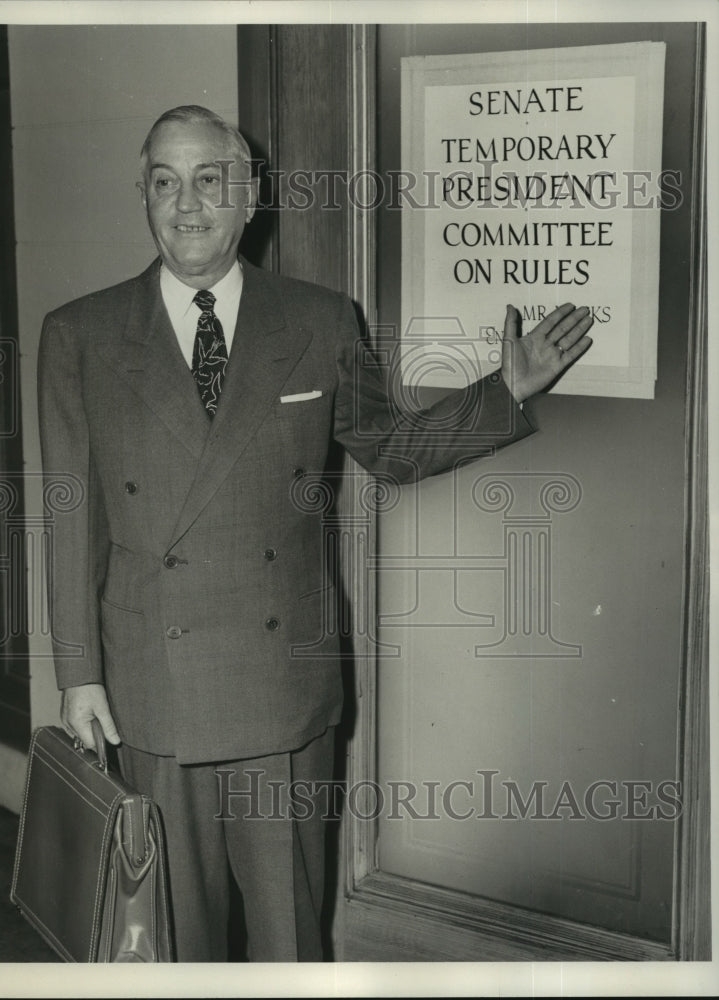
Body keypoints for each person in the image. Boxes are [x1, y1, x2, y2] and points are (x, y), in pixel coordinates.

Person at [38, 105, 593, 962]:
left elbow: (392, 449)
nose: (186, 204)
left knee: (287, 939)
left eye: (208, 179)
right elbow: (73, 510)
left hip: (281, 691)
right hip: (151, 687)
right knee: (166, 944)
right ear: (143, 196)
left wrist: (503, 392)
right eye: (163, 182)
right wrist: (78, 674)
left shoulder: (321, 317)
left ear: (248, 194)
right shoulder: (78, 334)